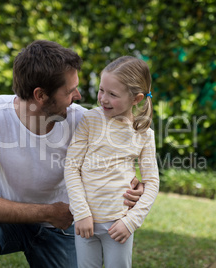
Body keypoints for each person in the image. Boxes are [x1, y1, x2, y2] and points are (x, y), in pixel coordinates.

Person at [0, 40, 144, 268]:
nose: (78, 95)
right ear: (41, 95)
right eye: (69, 91)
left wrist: (136, 186)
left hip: (60, 228)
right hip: (6, 220)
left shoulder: (83, 122)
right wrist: (48, 212)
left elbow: (121, 156)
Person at [64, 56, 159, 268]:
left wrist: (130, 222)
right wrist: (81, 213)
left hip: (118, 224)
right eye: (101, 90)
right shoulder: (89, 120)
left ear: (136, 98)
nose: (103, 99)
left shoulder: (144, 134)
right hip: (85, 221)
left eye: (112, 94)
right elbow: (71, 168)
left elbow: (152, 183)